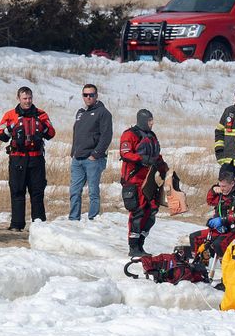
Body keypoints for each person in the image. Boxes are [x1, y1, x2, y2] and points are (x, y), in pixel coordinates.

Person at [0, 86, 55, 230]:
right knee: (17, 191)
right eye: (25, 98)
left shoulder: (41, 114)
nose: (28, 101)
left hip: (36, 159)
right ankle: (17, 224)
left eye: (30, 98)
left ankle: (39, 223)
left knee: (37, 191)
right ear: (18, 99)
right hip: (18, 158)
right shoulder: (10, 115)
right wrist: (10, 128)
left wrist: (43, 126)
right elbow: (0, 135)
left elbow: (51, 134)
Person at [119, 109, 168, 257]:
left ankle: (140, 243)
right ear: (142, 120)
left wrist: (164, 168)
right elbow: (125, 153)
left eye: (152, 120)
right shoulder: (129, 134)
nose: (152, 123)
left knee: (152, 211)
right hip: (133, 180)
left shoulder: (152, 136)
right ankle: (133, 246)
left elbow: (156, 156)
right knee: (138, 212)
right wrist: (142, 159)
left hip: (149, 180)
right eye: (149, 120)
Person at [69, 83, 112, 221]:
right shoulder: (81, 113)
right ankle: (73, 219)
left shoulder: (103, 113)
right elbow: (77, 133)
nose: (88, 97)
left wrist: (95, 154)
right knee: (74, 191)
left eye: (91, 95)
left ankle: (93, 219)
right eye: (85, 95)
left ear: (96, 96)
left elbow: (106, 136)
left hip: (93, 159)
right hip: (78, 158)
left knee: (93, 191)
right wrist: (73, 152)